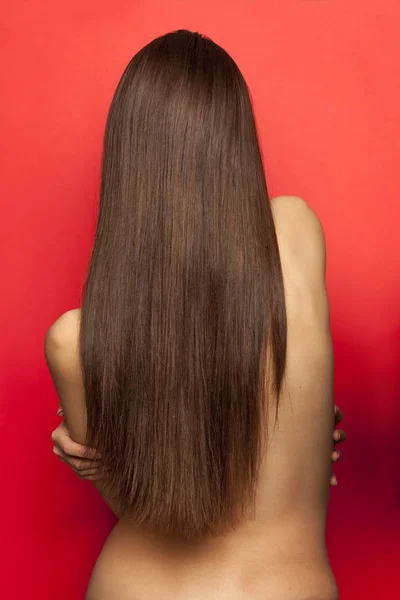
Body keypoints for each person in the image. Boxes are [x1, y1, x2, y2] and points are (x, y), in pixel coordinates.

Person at [44, 29, 345, 600]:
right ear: (235, 143)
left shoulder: (73, 340)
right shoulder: (296, 232)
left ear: (126, 160)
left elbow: (138, 502)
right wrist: (304, 425)